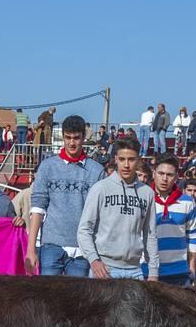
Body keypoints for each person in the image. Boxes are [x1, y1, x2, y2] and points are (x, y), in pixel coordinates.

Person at [26, 116, 105, 276]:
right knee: (48, 298)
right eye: (68, 137)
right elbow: (38, 207)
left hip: (83, 248)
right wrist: (31, 249)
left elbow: (102, 216)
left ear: (83, 137)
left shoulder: (97, 171)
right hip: (51, 245)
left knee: (77, 300)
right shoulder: (47, 167)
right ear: (63, 137)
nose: (72, 142)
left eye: (76, 138)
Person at [76, 137, 158, 281]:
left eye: (131, 159)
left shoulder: (147, 193)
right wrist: (94, 261)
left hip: (135, 270)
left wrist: (153, 272)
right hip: (105, 269)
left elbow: (150, 235)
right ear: (115, 159)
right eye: (122, 159)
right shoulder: (100, 189)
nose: (126, 165)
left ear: (138, 160)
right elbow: (84, 229)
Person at [149, 157, 196, 286]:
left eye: (169, 175)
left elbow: (192, 235)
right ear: (154, 173)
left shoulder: (187, 202)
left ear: (176, 177)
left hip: (179, 272)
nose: (164, 179)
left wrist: (192, 265)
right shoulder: (144, 198)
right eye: (161, 173)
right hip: (148, 271)